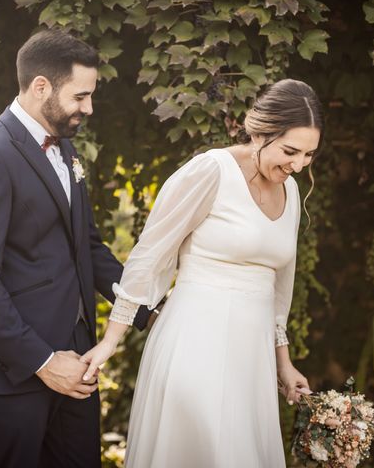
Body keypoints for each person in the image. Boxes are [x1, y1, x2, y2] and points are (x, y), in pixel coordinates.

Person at [80, 79, 322, 467]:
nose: (297, 165)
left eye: (309, 155)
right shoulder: (211, 170)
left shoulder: (291, 192)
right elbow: (150, 256)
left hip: (252, 359)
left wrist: (283, 363)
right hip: (196, 343)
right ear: (259, 132)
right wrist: (111, 341)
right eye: (290, 151)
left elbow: (280, 288)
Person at [0, 29, 153, 468]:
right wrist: (42, 362)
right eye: (80, 96)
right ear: (42, 86)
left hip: (79, 364)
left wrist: (147, 310)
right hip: (16, 375)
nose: (89, 107)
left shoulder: (67, 150)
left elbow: (89, 250)